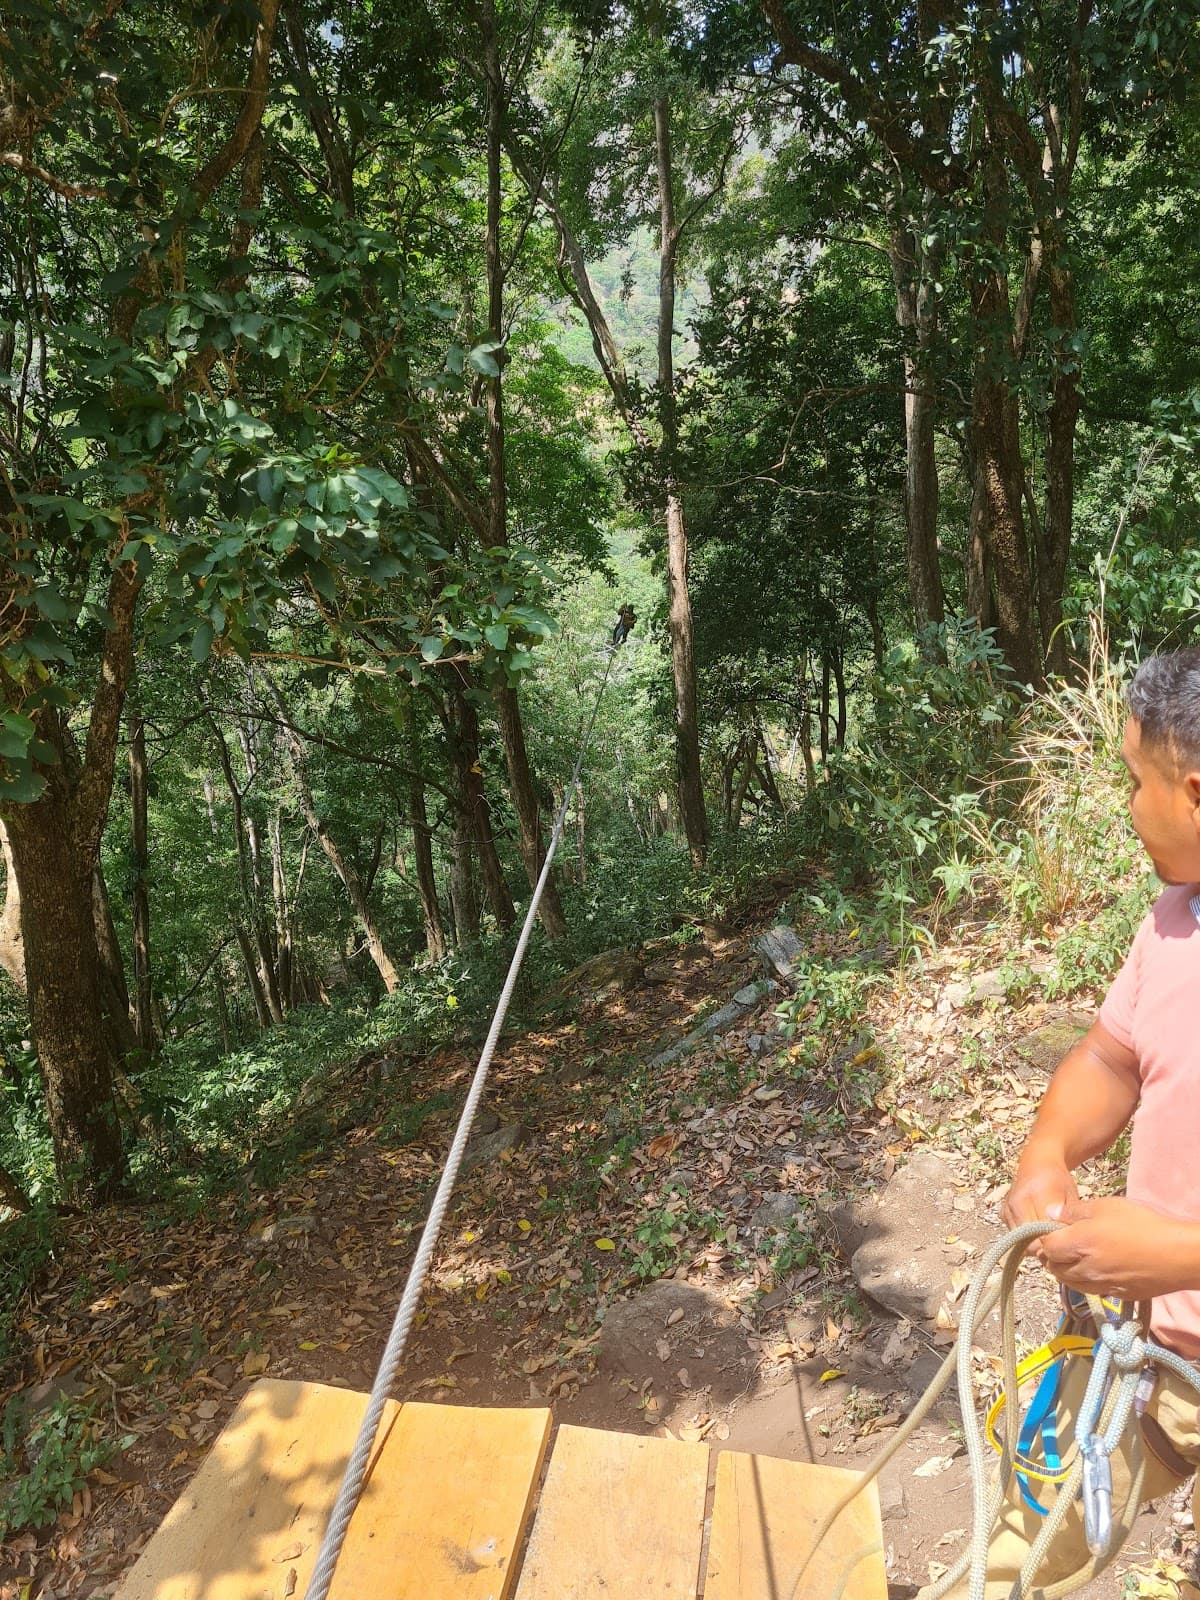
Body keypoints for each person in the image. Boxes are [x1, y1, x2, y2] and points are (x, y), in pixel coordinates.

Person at [928, 648, 1200, 1599]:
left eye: (1137, 782)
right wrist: (1045, 1156)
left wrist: (1182, 1257)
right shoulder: (1176, 921)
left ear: (1198, 791)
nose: (1129, 807)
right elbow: (1110, 1058)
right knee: (1020, 1546)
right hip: (1158, 1352)